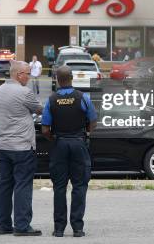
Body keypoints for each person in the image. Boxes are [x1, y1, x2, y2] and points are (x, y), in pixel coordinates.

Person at [41, 65, 97, 238]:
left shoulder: (51, 100)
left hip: (60, 145)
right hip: (78, 144)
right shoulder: (83, 97)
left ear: (57, 79)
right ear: (72, 78)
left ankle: (59, 229)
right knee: (79, 186)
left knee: (59, 187)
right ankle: (77, 228)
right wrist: (85, 133)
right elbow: (93, 121)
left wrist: (55, 139)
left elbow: (44, 129)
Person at [0, 61, 43, 236]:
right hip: (22, 145)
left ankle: (3, 225)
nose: (29, 77)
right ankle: (22, 226)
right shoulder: (24, 92)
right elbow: (40, 109)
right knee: (23, 185)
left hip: (4, 145)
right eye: (27, 74)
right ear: (18, 74)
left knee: (4, 186)